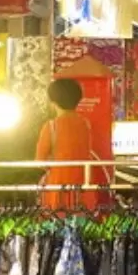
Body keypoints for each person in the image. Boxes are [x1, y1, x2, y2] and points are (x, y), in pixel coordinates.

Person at [37, 78, 101, 210]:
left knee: (58, 220)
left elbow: (39, 161)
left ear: (53, 102)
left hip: (58, 186)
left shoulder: (50, 126)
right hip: (83, 183)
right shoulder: (85, 124)